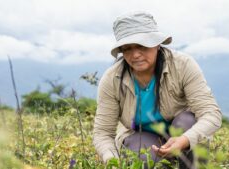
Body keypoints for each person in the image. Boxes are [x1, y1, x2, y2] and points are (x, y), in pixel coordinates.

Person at [93, 11, 222, 168]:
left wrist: (184, 140)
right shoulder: (112, 79)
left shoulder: (182, 65)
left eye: (141, 46)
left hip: (182, 132)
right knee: (143, 156)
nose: (135, 55)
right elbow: (103, 133)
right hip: (141, 137)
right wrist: (112, 160)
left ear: (156, 43)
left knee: (188, 121)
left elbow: (211, 114)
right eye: (127, 48)